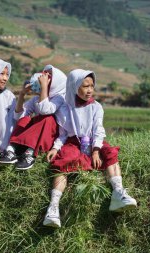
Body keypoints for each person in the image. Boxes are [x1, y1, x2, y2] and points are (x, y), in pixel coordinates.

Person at [43, 69, 137, 228]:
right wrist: (56, 147)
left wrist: (95, 150)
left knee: (109, 153)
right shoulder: (65, 108)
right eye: (85, 86)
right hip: (73, 142)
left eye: (92, 86)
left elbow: (98, 129)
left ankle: (118, 193)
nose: (90, 90)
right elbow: (63, 134)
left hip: (93, 141)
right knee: (63, 162)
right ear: (74, 87)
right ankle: (53, 208)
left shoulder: (96, 107)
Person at [0, 65, 67, 170]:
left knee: (47, 118)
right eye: (44, 74)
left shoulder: (59, 98)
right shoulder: (36, 99)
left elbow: (45, 110)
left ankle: (30, 154)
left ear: (56, 81)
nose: (44, 77)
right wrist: (22, 94)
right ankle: (11, 149)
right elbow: (18, 116)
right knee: (25, 119)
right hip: (35, 136)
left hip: (48, 136)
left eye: (49, 76)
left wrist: (43, 87)